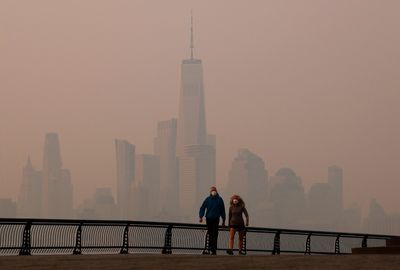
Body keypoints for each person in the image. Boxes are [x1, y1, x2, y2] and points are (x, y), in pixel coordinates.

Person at [199, 186, 226, 255]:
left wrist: (223, 220)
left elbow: (222, 210)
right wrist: (201, 216)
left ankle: (213, 249)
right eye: (212, 191)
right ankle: (210, 248)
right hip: (209, 218)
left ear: (216, 191)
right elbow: (202, 207)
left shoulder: (219, 200)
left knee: (215, 234)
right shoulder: (208, 199)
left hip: (216, 219)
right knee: (210, 234)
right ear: (210, 192)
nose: (213, 192)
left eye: (214, 190)